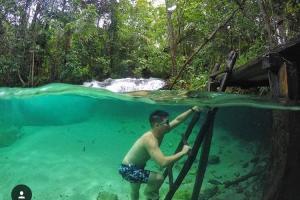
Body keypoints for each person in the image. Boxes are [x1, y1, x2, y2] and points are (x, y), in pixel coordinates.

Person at [119, 106, 201, 200]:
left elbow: (178, 120)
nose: (169, 124)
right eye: (166, 122)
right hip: (129, 169)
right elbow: (163, 163)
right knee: (159, 178)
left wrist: (192, 110)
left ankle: (147, 194)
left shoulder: (161, 131)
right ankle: (149, 194)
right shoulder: (150, 139)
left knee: (134, 191)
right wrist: (183, 152)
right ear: (157, 125)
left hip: (130, 167)